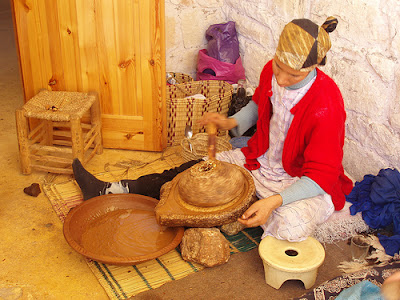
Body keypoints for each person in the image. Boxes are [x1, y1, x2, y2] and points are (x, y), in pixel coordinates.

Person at [72, 16, 353, 242]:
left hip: (301, 179)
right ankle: (114, 189)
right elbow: (260, 105)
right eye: (278, 66)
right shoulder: (271, 70)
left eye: (291, 75)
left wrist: (274, 201)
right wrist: (230, 123)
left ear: (314, 67)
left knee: (289, 225)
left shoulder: (326, 104)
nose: (279, 78)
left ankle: (252, 206)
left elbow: (321, 175)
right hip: (262, 161)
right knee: (200, 172)